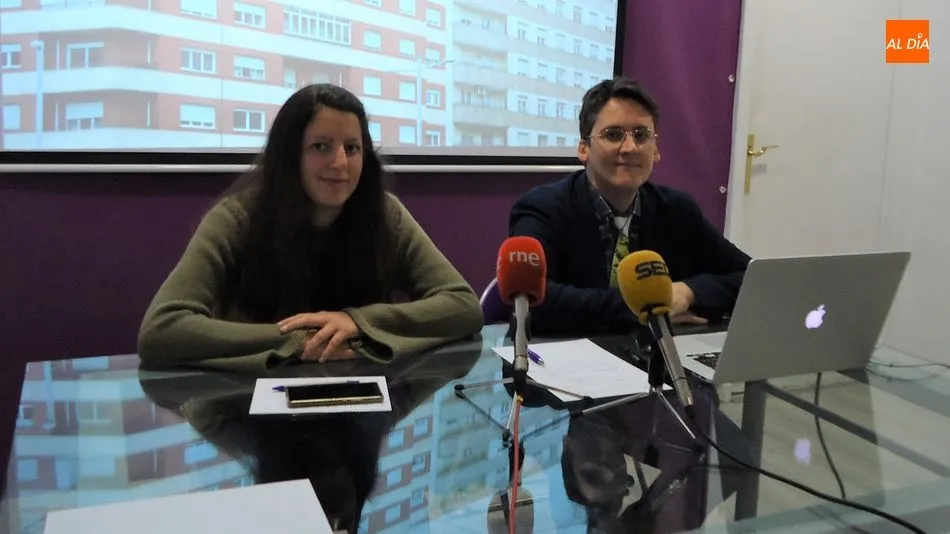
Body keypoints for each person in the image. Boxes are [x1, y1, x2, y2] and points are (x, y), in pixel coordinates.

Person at [138, 83, 483, 371]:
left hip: (358, 402)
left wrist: (359, 323)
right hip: (248, 403)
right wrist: (300, 340)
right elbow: (162, 330)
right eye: (321, 146)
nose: (340, 163)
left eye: (352, 148)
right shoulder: (237, 217)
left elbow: (463, 306)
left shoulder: (386, 215)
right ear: (290, 155)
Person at [509, 77, 750, 336]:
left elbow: (750, 278)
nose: (630, 147)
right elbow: (533, 299)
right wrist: (649, 308)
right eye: (613, 135)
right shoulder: (542, 207)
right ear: (583, 149)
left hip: (652, 362)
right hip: (559, 361)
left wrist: (687, 292)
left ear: (655, 150)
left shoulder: (677, 208)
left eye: (641, 135)